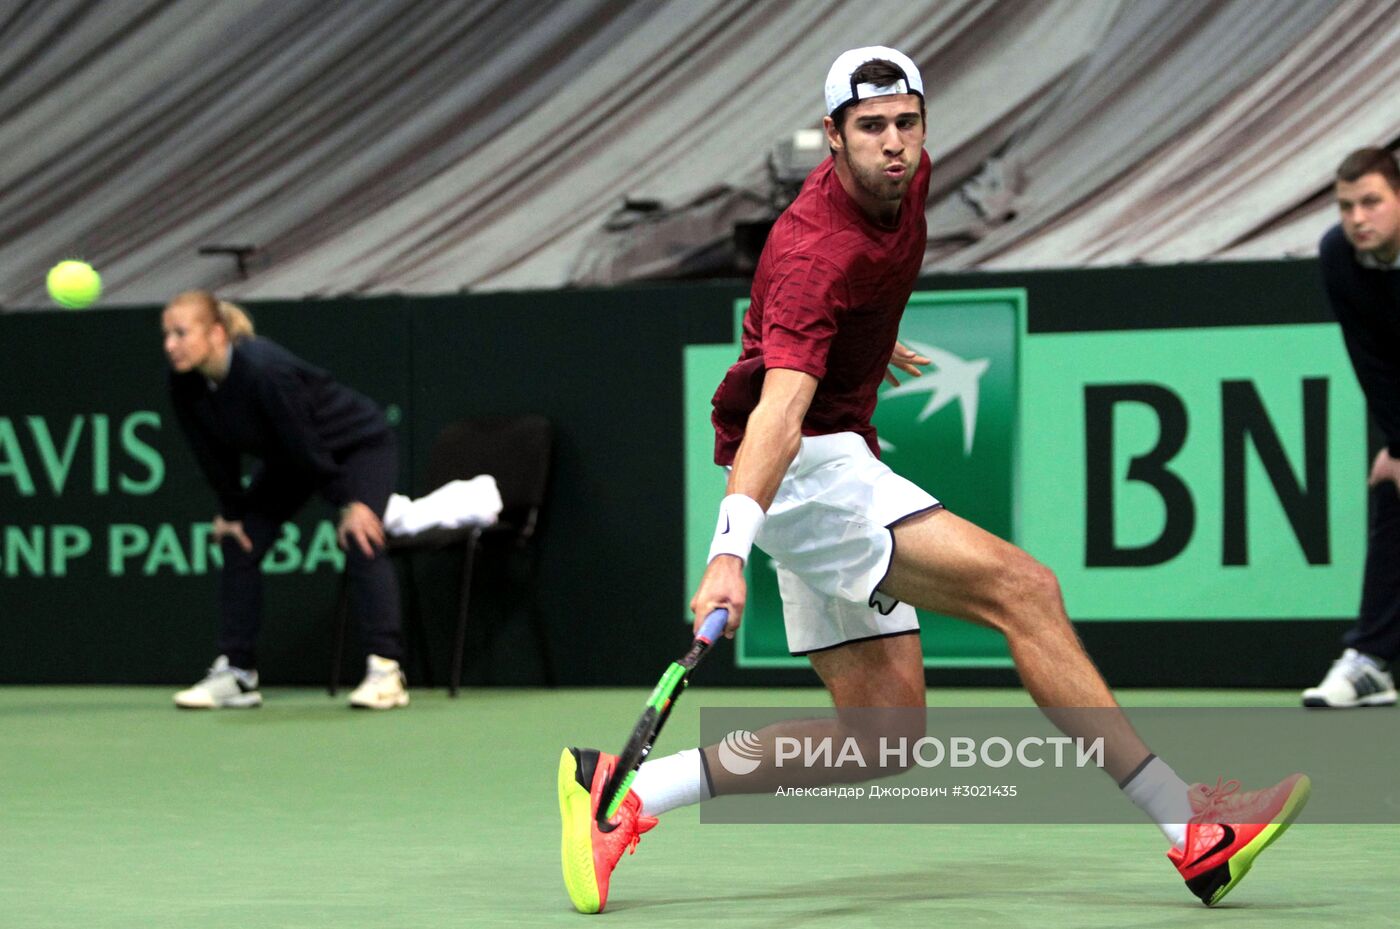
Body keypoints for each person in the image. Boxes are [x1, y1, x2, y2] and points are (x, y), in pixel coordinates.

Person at [557, 47, 1309, 913]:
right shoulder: (812, 254)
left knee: (882, 736)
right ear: (831, 139)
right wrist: (730, 548)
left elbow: (853, 298)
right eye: (869, 128)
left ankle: (622, 794)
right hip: (803, 464)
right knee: (1024, 591)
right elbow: (777, 413)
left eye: (907, 124)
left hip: (830, 450)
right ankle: (1190, 831)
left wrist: (873, 338)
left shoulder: (901, 181)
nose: (894, 145)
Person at [161, 290, 409, 710]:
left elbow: (305, 443)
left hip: (356, 445)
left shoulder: (264, 370)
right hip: (293, 458)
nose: (170, 345)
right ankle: (237, 674)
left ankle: (387, 671)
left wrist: (349, 502)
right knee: (241, 542)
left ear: (217, 333)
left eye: (181, 333)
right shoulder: (184, 382)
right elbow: (212, 454)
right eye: (166, 335)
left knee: (360, 536)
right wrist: (232, 511)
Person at [1302, 147, 1400, 708]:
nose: (1357, 219)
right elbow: (1373, 357)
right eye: (1346, 206)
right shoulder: (1339, 255)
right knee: (1394, 486)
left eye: (1371, 202)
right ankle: (1372, 662)